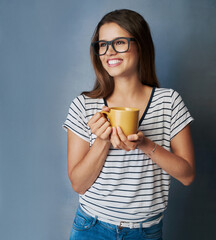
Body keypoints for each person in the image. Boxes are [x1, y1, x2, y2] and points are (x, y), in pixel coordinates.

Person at [63, 9, 195, 240]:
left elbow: (187, 175)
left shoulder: (169, 101)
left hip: (146, 232)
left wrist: (145, 144)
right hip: (91, 227)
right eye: (102, 45)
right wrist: (102, 141)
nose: (109, 52)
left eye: (120, 42)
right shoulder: (83, 105)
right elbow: (79, 184)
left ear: (140, 44)